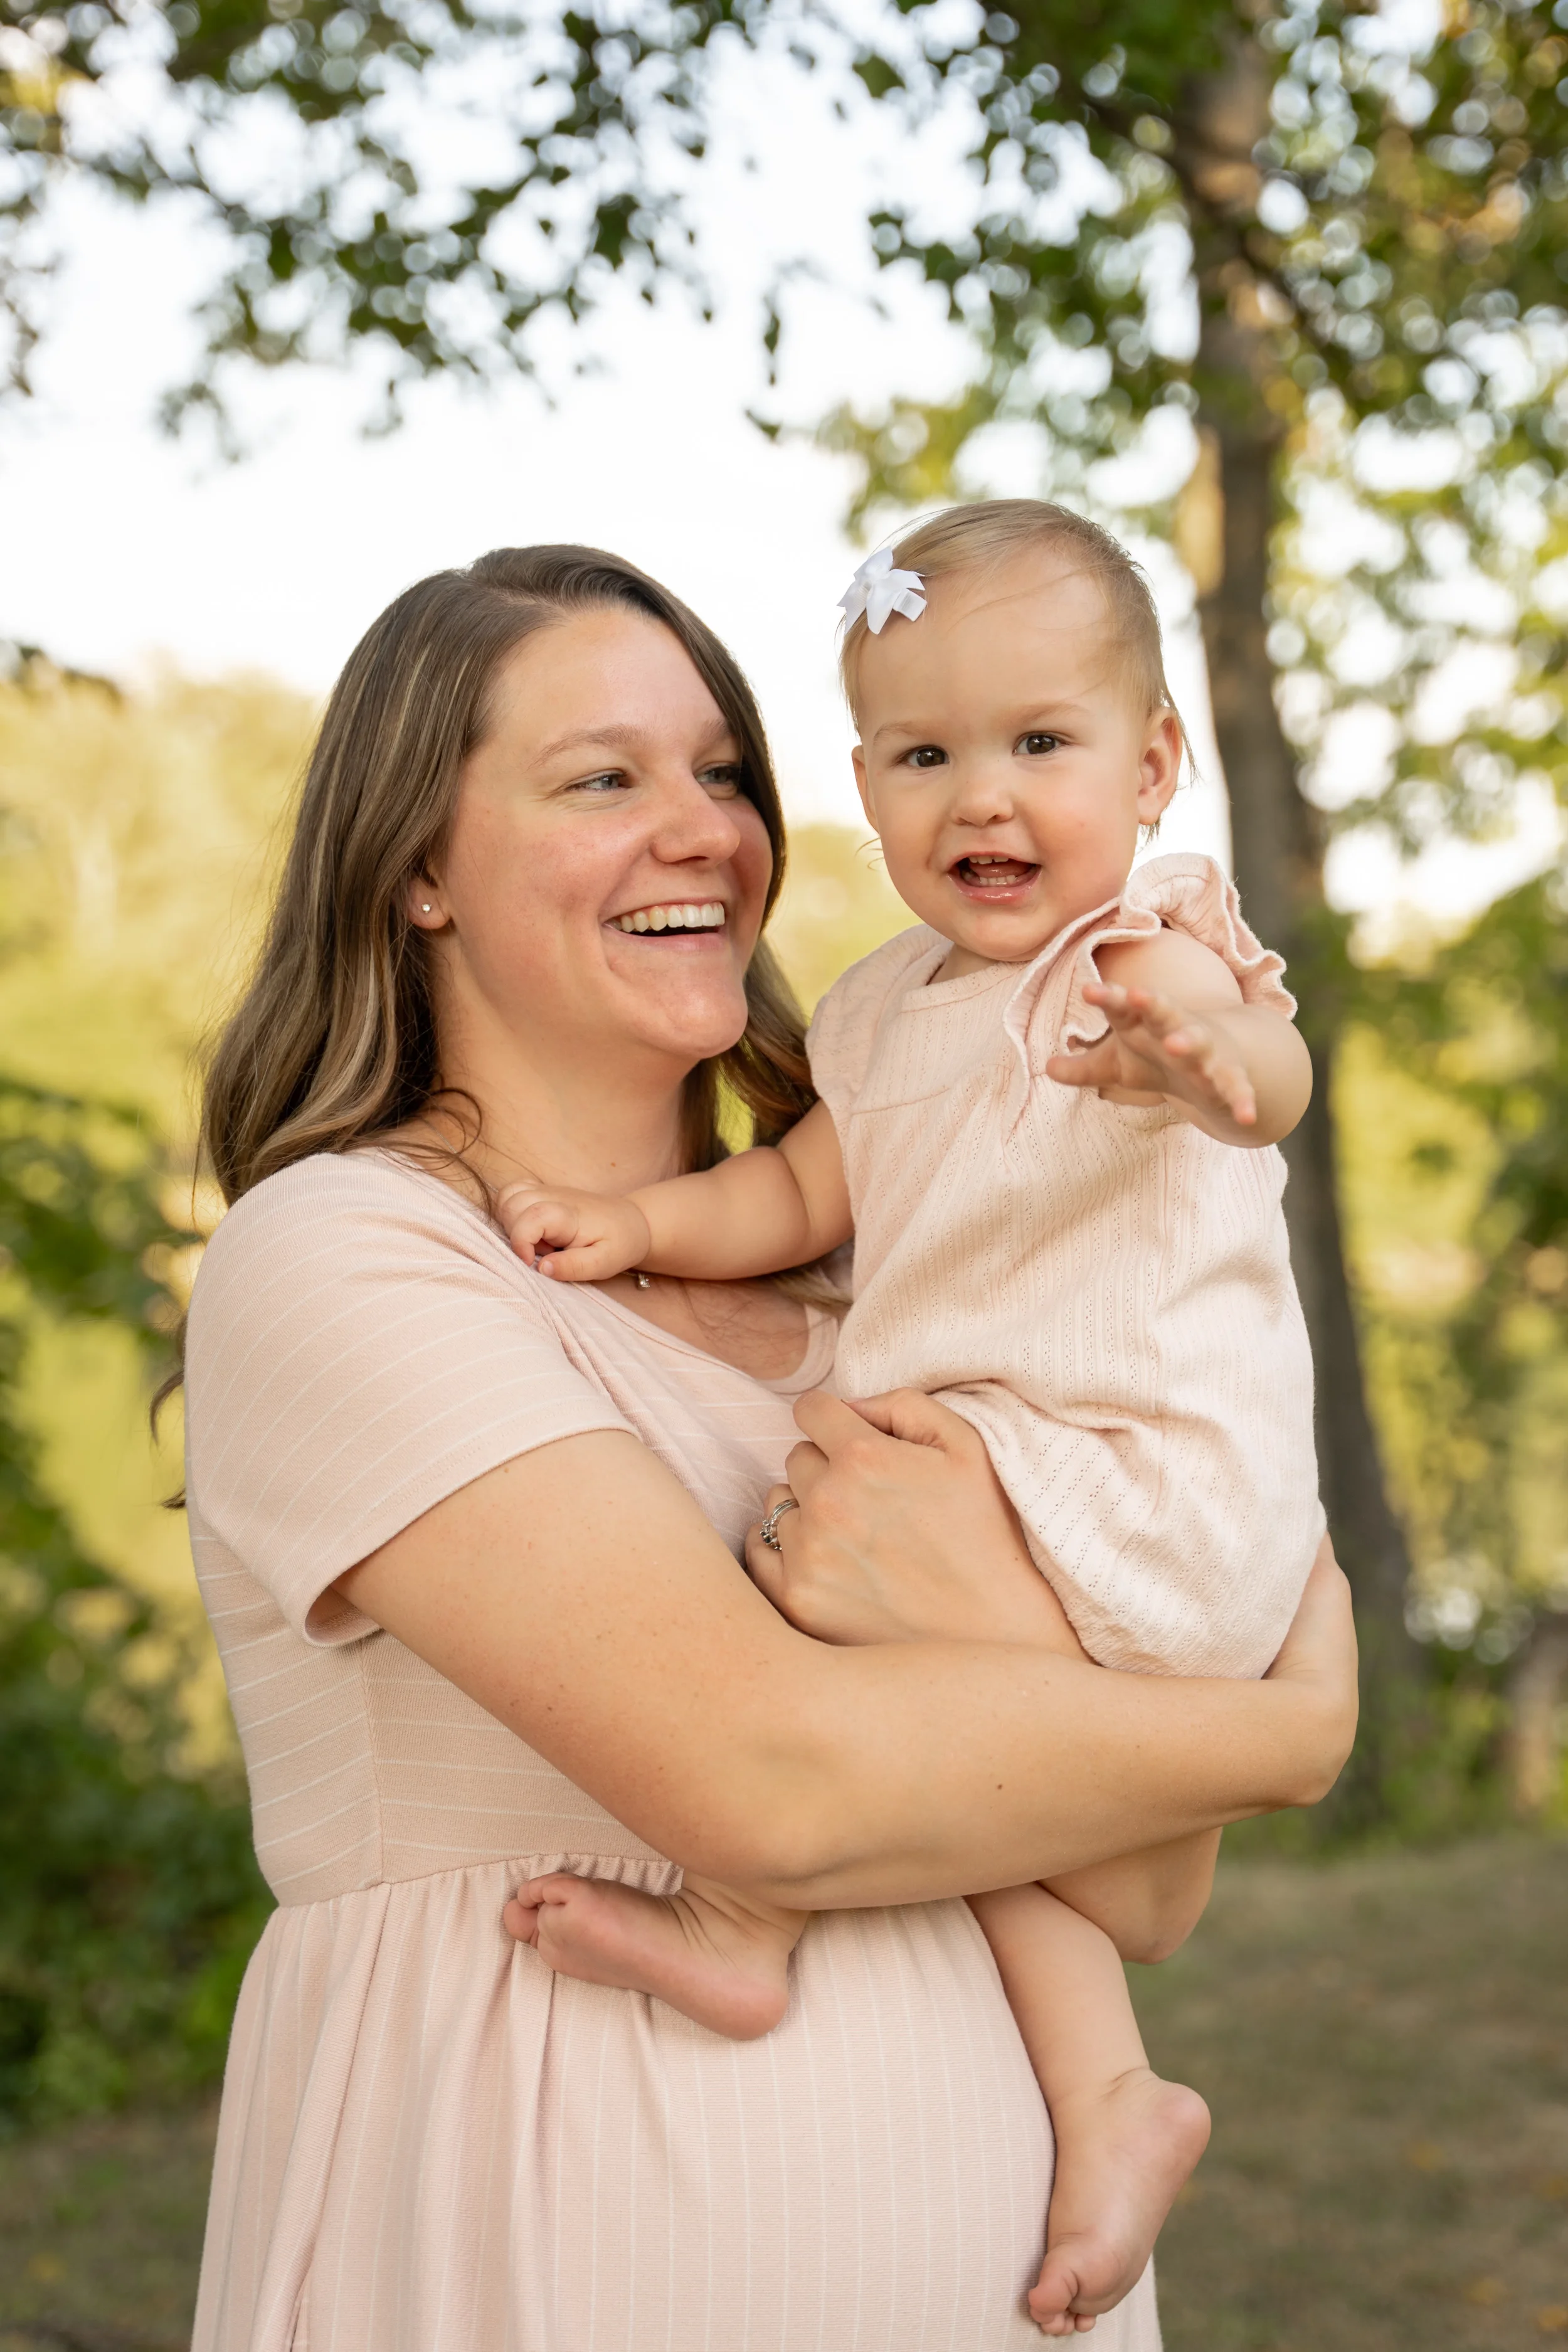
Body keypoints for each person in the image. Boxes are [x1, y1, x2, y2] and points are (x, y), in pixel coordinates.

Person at [182, 542, 1357, 2352]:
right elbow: (765, 1784)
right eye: (604, 777)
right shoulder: (347, 1252)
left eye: (722, 770)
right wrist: (1291, 1728)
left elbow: (1140, 1878)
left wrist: (1076, 1673)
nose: (704, 830)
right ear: (415, 863)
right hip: (529, 2261)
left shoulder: (899, 1297)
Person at [497, 503, 1327, 2335]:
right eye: (924, 753)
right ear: (863, 786)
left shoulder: (1130, 948)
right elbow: (801, 1194)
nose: (982, 798)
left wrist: (1205, 1069)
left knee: (816, 1576)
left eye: (1040, 744)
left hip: (1130, 1482)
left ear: (1153, 762)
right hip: (1028, 1501)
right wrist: (640, 1224)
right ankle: (1109, 2091)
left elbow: (1260, 1068)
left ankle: (746, 1922)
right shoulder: (879, 1013)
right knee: (956, 1747)